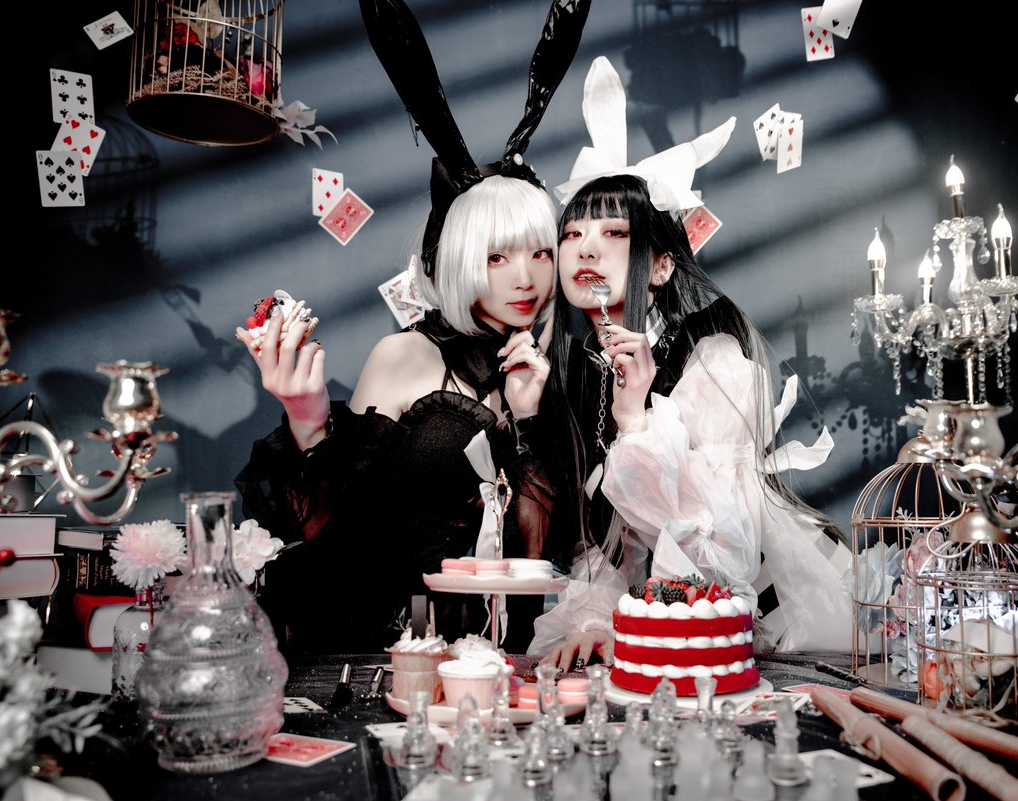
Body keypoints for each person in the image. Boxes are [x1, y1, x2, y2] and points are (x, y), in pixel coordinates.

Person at [234, 0, 591, 653]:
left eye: (541, 253)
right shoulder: (404, 356)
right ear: (459, 260)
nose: (526, 278)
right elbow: (340, 541)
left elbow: (542, 554)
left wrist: (528, 420)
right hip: (394, 656)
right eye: (497, 256)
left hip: (507, 662)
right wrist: (308, 421)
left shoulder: (548, 367)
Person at [530, 56, 853, 671]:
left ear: (660, 266)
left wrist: (637, 423)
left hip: (766, 631)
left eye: (614, 233)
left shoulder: (714, 358)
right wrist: (595, 621)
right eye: (572, 235)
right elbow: (604, 543)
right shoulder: (577, 370)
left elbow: (720, 559)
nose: (586, 249)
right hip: (663, 639)